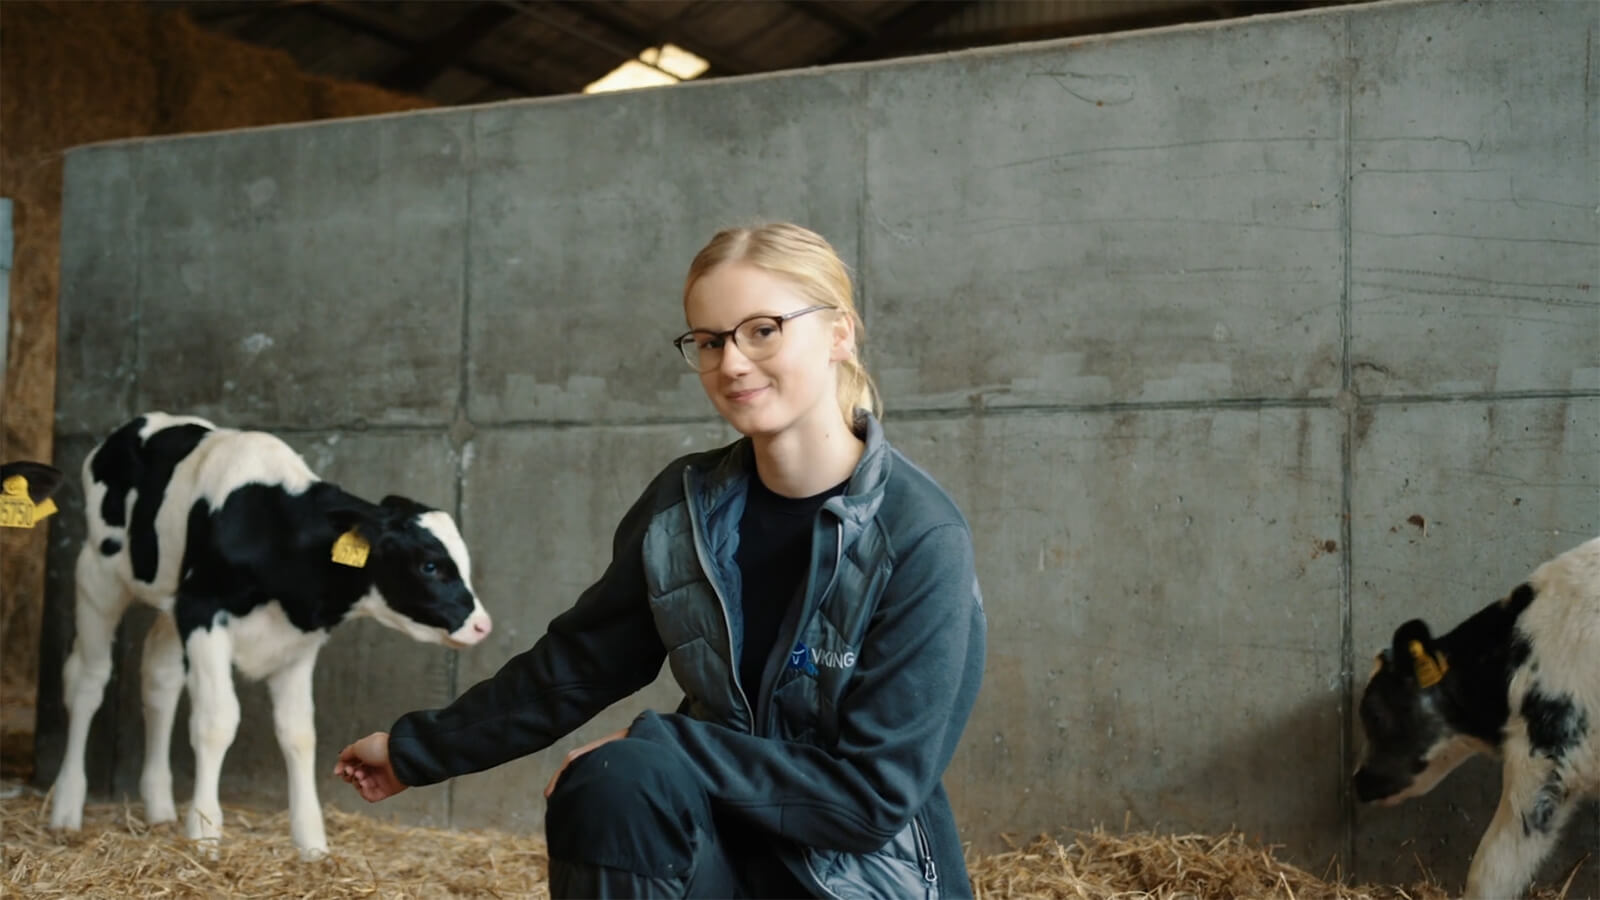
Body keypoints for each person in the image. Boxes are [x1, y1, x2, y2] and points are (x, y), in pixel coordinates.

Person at [335, 222, 988, 898]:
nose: (732, 363)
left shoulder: (919, 536)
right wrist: (418, 752)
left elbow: (867, 799)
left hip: (863, 881)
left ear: (838, 334)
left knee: (640, 756)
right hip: (718, 856)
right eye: (710, 340)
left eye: (762, 329)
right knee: (614, 785)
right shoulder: (687, 507)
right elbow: (578, 666)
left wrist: (668, 741)